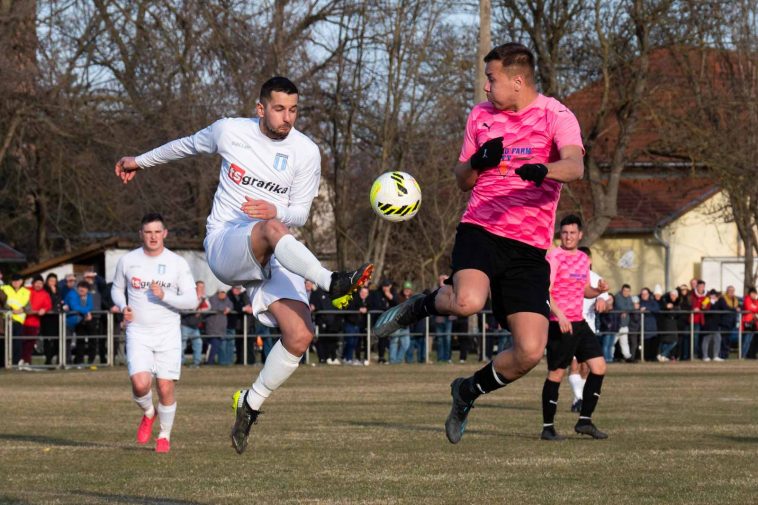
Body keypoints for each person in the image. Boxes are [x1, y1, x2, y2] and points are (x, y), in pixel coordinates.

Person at [114, 76, 373, 454]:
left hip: (273, 249)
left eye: (294, 110)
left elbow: (298, 212)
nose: (288, 118)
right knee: (271, 228)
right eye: (280, 109)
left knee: (301, 336)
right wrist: (137, 161)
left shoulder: (306, 151)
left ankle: (249, 403)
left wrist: (277, 210)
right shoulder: (229, 132)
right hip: (226, 242)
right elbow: (184, 146)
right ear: (261, 109)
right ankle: (331, 280)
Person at [371, 43, 585, 443]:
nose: (486, 88)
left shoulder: (557, 115)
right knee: (467, 301)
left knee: (529, 352)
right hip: (481, 228)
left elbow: (575, 165)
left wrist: (546, 169)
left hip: (529, 248)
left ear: (517, 81)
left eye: (492, 78)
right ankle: (419, 304)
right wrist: (476, 163)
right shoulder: (481, 115)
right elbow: (461, 179)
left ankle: (467, 391)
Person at [110, 213, 198, 453]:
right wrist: (122, 306)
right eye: (148, 232)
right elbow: (117, 289)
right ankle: (149, 412)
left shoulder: (177, 263)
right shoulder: (128, 261)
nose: (153, 237)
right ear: (141, 234)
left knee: (165, 386)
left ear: (165, 234)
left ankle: (164, 435)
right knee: (140, 385)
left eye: (157, 232)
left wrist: (165, 296)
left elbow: (192, 300)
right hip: (138, 331)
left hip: (168, 332)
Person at [540, 215, 609, 440]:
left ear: (580, 235)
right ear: (560, 234)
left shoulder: (582, 259)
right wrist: (559, 316)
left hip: (579, 323)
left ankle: (585, 421)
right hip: (560, 324)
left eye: (572, 233)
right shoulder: (554, 257)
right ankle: (548, 428)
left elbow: (584, 291)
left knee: (599, 367)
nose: (568, 237)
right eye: (565, 232)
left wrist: (598, 291)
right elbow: (546, 292)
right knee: (556, 374)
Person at [21, 275, 52, 369]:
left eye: (40, 283)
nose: (38, 285)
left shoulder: (45, 294)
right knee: (20, 342)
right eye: (37, 283)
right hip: (22, 320)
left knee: (30, 343)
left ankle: (26, 361)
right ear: (33, 283)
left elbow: (48, 305)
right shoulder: (26, 290)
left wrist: (44, 309)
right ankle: (18, 361)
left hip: (34, 322)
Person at [2, 273, 31, 367]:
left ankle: (15, 363)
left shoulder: (26, 292)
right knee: (3, 342)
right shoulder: (4, 288)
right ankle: (3, 364)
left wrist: (21, 310)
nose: (16, 282)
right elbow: (1, 300)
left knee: (17, 343)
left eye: (18, 280)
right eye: (14, 280)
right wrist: (9, 309)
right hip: (5, 319)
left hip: (18, 321)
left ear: (21, 281)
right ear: (11, 281)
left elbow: (29, 306)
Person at [180, 281, 210, 368]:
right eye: (200, 287)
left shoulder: (204, 298)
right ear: (195, 288)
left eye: (203, 287)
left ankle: (196, 363)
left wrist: (201, 310)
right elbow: (190, 307)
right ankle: (180, 362)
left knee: (198, 343)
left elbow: (209, 307)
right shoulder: (190, 297)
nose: (201, 289)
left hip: (195, 326)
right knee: (182, 345)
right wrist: (198, 304)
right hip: (185, 325)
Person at [206, 288, 234, 365]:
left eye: (224, 293)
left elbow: (231, 305)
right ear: (218, 293)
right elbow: (214, 307)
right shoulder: (212, 298)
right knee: (213, 345)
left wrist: (229, 308)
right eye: (221, 293)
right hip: (212, 327)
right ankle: (209, 362)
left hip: (221, 328)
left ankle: (214, 362)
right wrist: (225, 308)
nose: (223, 294)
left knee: (218, 345)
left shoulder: (226, 299)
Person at [41, 273, 64, 365]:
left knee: (57, 339)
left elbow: (59, 302)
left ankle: (56, 358)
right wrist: (53, 293)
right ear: (47, 281)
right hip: (47, 318)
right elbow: (49, 303)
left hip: (56, 318)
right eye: (51, 280)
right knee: (48, 339)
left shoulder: (58, 290)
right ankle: (48, 359)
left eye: (54, 281)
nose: (52, 282)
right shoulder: (44, 291)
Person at [700, 289, 723, 362]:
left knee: (717, 339)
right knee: (706, 339)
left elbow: (722, 307)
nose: (713, 296)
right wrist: (711, 302)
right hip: (708, 323)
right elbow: (704, 307)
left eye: (714, 295)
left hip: (715, 323)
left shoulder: (718, 301)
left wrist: (716, 301)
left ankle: (715, 356)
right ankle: (705, 356)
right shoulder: (707, 300)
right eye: (712, 295)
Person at [614, 285, 635, 362]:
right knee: (613, 341)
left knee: (624, 342)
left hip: (625, 324)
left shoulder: (629, 298)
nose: (626, 293)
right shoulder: (617, 297)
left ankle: (628, 356)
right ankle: (609, 357)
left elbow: (632, 307)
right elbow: (620, 306)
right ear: (621, 290)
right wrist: (626, 309)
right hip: (617, 324)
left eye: (628, 291)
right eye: (625, 291)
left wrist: (626, 310)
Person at [742, 287, 758, 358]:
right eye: (753, 293)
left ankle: (748, 355)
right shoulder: (747, 299)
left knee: (751, 341)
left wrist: (754, 309)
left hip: (754, 322)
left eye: (755, 293)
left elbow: (755, 308)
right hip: (747, 322)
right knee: (746, 340)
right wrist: (755, 309)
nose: (754, 295)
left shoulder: (755, 301)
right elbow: (749, 308)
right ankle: (742, 355)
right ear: (750, 293)